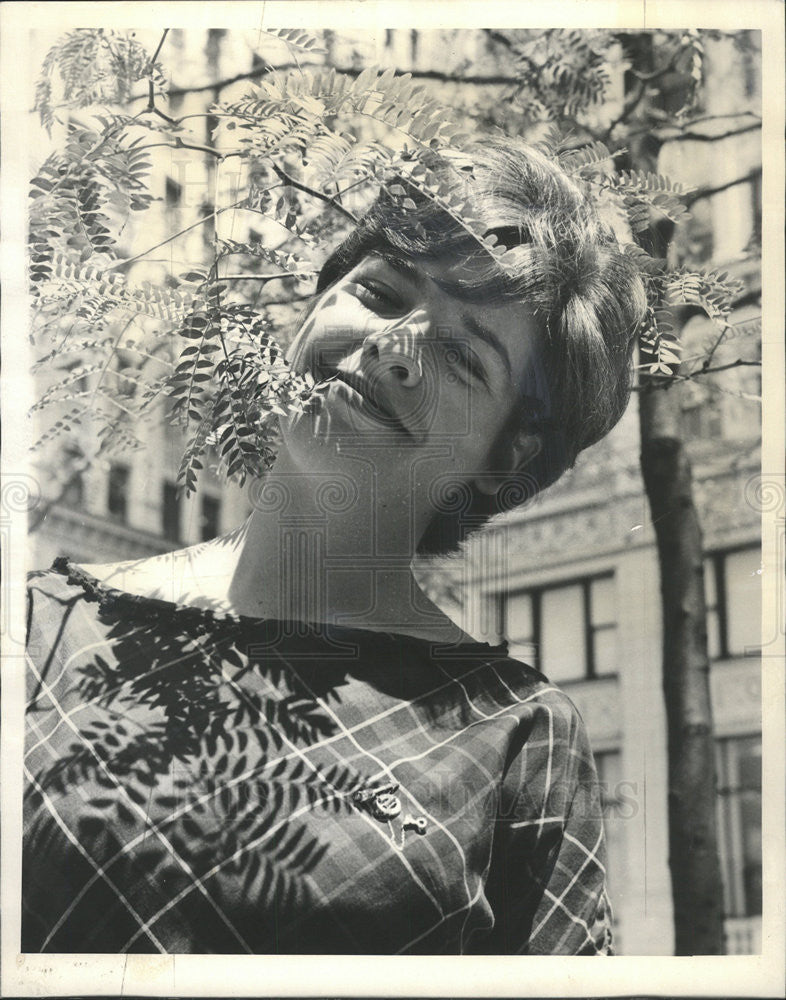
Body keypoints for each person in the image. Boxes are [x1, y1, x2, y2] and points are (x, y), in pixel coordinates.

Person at [23, 138, 646, 955]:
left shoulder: (517, 739)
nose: (393, 345)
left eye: (462, 356)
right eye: (381, 293)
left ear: (509, 454)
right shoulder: (43, 628)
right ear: (315, 307)